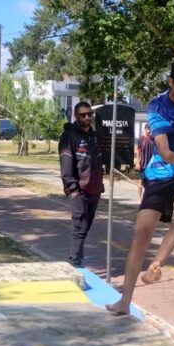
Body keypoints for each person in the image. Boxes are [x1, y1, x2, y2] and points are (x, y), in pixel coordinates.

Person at [107, 57, 174, 315]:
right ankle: (124, 301)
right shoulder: (157, 107)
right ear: (170, 82)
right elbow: (163, 150)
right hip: (161, 172)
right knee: (141, 234)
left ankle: (156, 265)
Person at [59, 101, 106, 267]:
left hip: (94, 189)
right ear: (75, 116)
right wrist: (72, 188)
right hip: (78, 190)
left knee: (86, 225)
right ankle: (75, 262)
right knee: (79, 225)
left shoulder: (93, 136)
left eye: (89, 114)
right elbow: (66, 165)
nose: (87, 117)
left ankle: (77, 257)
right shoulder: (69, 136)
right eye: (82, 115)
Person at [134, 122, 155, 200]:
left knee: (150, 181)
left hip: (151, 164)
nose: (149, 131)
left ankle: (147, 197)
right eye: (147, 129)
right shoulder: (141, 139)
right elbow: (138, 151)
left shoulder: (153, 139)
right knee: (141, 180)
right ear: (144, 129)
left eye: (150, 129)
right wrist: (137, 162)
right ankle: (139, 198)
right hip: (143, 163)